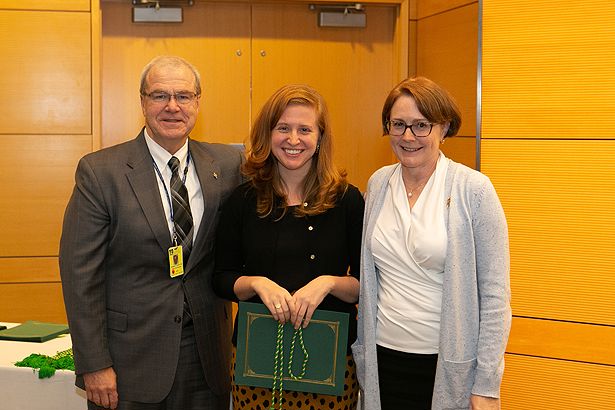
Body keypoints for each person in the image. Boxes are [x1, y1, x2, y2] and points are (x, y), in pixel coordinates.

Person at [59, 55, 243, 410]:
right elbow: (80, 275)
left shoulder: (229, 165)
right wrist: (95, 364)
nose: (172, 106)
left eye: (183, 96)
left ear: (198, 102)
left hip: (208, 358)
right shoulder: (101, 172)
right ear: (143, 101)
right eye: (160, 96)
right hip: (129, 361)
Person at [352, 76, 511, 410]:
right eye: (399, 124)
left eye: (421, 125)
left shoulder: (475, 191)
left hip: (446, 366)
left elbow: (496, 299)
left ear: (444, 127)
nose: (408, 136)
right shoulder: (378, 184)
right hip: (383, 361)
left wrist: (486, 385)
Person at [212, 84, 364, 410]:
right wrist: (256, 283)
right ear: (268, 135)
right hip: (258, 358)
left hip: (330, 360)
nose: (293, 140)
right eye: (283, 128)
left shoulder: (348, 200)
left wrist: (329, 283)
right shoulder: (243, 200)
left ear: (320, 137)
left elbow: (367, 286)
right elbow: (221, 277)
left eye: (304, 130)